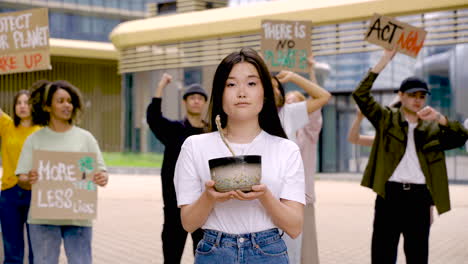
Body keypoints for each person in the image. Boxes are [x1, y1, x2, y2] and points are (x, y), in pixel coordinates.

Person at [174, 48, 305, 263]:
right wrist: (209, 197)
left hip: (269, 252)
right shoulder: (194, 146)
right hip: (213, 251)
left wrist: (264, 196)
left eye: (252, 83)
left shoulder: (286, 149)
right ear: (220, 93)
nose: (242, 92)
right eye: (231, 84)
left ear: (264, 92)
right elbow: (188, 223)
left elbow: (294, 226)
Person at [352, 48, 468, 264]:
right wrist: (383, 61)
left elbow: (461, 137)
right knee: (383, 255)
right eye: (412, 95)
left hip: (419, 199)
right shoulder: (386, 119)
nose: (417, 100)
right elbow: (360, 95)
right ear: (401, 95)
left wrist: (440, 118)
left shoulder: (432, 127)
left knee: (417, 256)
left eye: (421, 96)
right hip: (390, 196)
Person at [15, 80, 109, 264]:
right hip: (43, 218)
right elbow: (22, 177)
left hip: (78, 218)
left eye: (69, 101)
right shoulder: (35, 139)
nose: (67, 105)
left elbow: (101, 172)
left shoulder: (85, 138)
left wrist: (101, 177)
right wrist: (28, 179)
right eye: (60, 101)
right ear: (47, 106)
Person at [273, 55, 331, 264]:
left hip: (299, 197)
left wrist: (297, 76)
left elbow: (322, 97)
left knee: (299, 249)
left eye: (294, 101)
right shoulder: (264, 118)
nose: (287, 101)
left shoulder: (302, 124)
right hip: (269, 199)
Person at [146, 73, 206, 263]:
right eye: (192, 98)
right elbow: (154, 118)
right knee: (171, 257)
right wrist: (161, 86)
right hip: (175, 205)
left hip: (205, 205)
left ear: (205, 103)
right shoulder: (174, 130)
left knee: (205, 258)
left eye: (200, 98)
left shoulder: (212, 132)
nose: (196, 101)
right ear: (185, 102)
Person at [0, 90, 41, 264]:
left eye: (27, 102)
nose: (22, 106)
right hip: (9, 192)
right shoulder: (7, 125)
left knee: (37, 248)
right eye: (19, 103)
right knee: (11, 249)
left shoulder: (42, 130)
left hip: (36, 193)